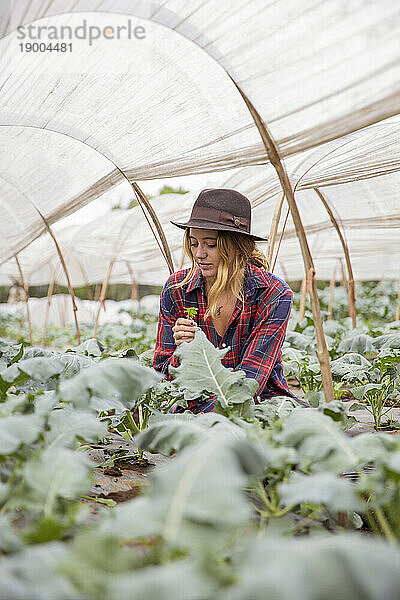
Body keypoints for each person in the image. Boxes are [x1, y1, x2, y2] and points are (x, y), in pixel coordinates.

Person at [153, 188, 299, 413]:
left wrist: (209, 417)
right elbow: (162, 373)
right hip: (193, 401)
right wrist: (185, 353)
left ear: (238, 245)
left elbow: (251, 379)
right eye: (194, 243)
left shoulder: (274, 294)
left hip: (258, 405)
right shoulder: (177, 290)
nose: (199, 254)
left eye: (211, 245)